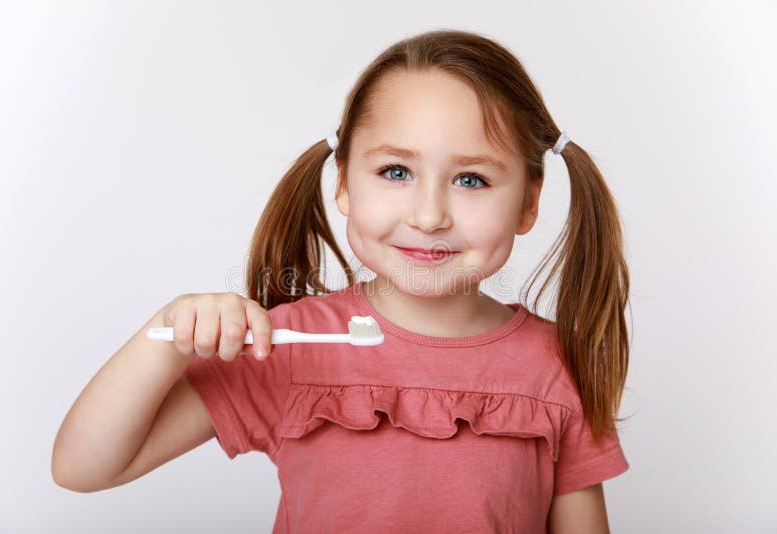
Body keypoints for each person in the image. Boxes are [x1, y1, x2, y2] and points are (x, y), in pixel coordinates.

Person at [52, 28, 632, 533]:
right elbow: (84, 467)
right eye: (396, 172)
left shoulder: (556, 362)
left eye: (472, 180)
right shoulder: (284, 346)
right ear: (345, 185)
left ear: (529, 203)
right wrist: (168, 334)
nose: (429, 215)